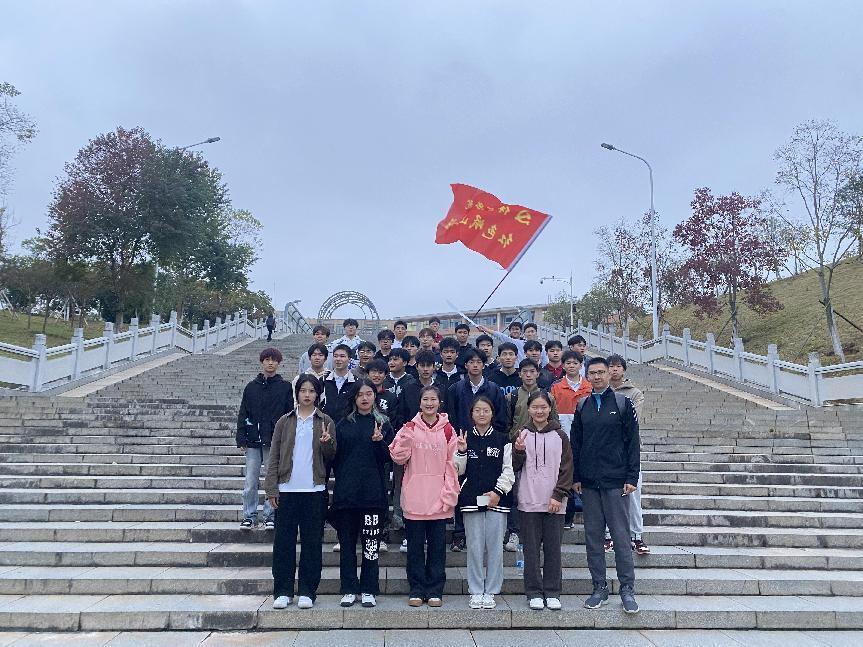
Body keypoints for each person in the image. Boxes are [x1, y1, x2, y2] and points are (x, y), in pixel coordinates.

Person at [572, 356, 641, 615]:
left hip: (616, 481)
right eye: (593, 373)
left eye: (601, 372)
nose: (598, 376)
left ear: (609, 374)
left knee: (621, 537)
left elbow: (633, 442)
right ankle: (599, 587)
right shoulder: (583, 405)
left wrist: (631, 477)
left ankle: (627, 589)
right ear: (587, 376)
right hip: (590, 483)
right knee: (593, 537)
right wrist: (576, 477)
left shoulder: (623, 403)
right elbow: (576, 444)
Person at [322, 379, 394, 608]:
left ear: (375, 397)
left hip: (373, 496)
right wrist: (327, 445)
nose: (365, 398)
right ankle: (349, 588)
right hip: (347, 496)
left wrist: (379, 442)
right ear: (354, 397)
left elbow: (389, 459)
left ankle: (369, 589)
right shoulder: (342, 424)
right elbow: (333, 459)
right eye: (360, 394)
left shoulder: (384, 424)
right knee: (347, 546)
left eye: (369, 394)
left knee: (371, 547)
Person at [265, 375, 332, 610]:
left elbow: (331, 456)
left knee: (312, 544)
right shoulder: (284, 421)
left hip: (314, 490)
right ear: (297, 393)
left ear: (317, 395)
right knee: (283, 543)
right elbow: (274, 455)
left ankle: (307, 591)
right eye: (303, 390)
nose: (307, 395)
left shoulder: (325, 421)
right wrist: (271, 487)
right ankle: (283, 591)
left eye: (312, 391)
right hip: (287, 489)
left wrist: (327, 442)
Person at [389, 385, 460, 607]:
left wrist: (449, 493)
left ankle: (435, 589)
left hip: (439, 498)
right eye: (425, 399)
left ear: (440, 403)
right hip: (415, 498)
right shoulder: (409, 427)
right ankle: (417, 589)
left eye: (433, 399)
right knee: (415, 548)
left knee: (437, 549)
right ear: (419, 403)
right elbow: (397, 457)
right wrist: (405, 440)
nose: (429, 403)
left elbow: (453, 464)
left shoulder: (448, 430)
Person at [512, 391, 573, 611]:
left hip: (555, 502)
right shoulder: (521, 434)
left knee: (553, 549)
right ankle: (534, 592)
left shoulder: (560, 435)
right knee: (531, 550)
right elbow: (514, 467)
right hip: (528, 500)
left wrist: (558, 494)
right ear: (528, 409)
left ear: (550, 409)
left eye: (543, 407)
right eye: (535, 407)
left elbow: (567, 468)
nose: (539, 411)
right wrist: (518, 451)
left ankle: (553, 591)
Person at [454, 396, 514, 610]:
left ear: (492, 413)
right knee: (474, 547)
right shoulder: (464, 438)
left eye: (486, 410)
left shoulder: (503, 439)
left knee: (495, 548)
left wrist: (497, 492)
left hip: (497, 500)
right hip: (471, 499)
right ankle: (476, 590)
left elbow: (509, 470)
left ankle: (492, 591)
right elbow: (457, 470)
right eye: (477, 410)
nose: (481, 414)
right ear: (471, 414)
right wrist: (461, 451)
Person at [446, 348, 507, 552]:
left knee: (487, 483)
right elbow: (451, 416)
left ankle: (486, 535)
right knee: (462, 485)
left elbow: (500, 418)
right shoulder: (455, 388)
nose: (475, 365)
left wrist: (491, 437)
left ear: (483, 364)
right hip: (463, 442)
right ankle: (459, 533)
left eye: (478, 362)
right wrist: (458, 440)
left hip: (489, 443)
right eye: (471, 362)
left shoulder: (493, 389)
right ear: (465, 365)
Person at [237, 347, 295, 530]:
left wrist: (287, 439)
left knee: (273, 480)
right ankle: (249, 516)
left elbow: (289, 414)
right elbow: (243, 412)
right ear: (262, 362)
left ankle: (270, 515)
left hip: (274, 441)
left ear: (279, 363)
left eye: (274, 360)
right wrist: (241, 437)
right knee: (250, 481)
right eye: (267, 359)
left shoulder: (285, 387)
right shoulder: (251, 387)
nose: (270, 363)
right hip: (253, 440)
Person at [607, 354, 648, 555]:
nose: (614, 370)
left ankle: (636, 536)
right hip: (605, 449)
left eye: (618, 366)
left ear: (623, 369)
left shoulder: (635, 393)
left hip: (629, 448)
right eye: (611, 366)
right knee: (608, 495)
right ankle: (609, 535)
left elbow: (633, 420)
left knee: (633, 494)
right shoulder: (599, 392)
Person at [550, 350, 592, 529]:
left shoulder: (589, 387)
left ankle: (591, 517)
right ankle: (567, 517)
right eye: (568, 363)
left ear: (581, 365)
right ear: (563, 365)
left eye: (575, 363)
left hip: (587, 440)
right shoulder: (556, 387)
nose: (572, 366)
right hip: (563, 439)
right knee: (565, 476)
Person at [321, 345, 360, 426]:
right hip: (325, 425)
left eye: (342, 356)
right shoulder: (323, 380)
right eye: (335, 356)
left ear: (349, 359)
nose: (338, 359)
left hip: (348, 426)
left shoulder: (356, 382)